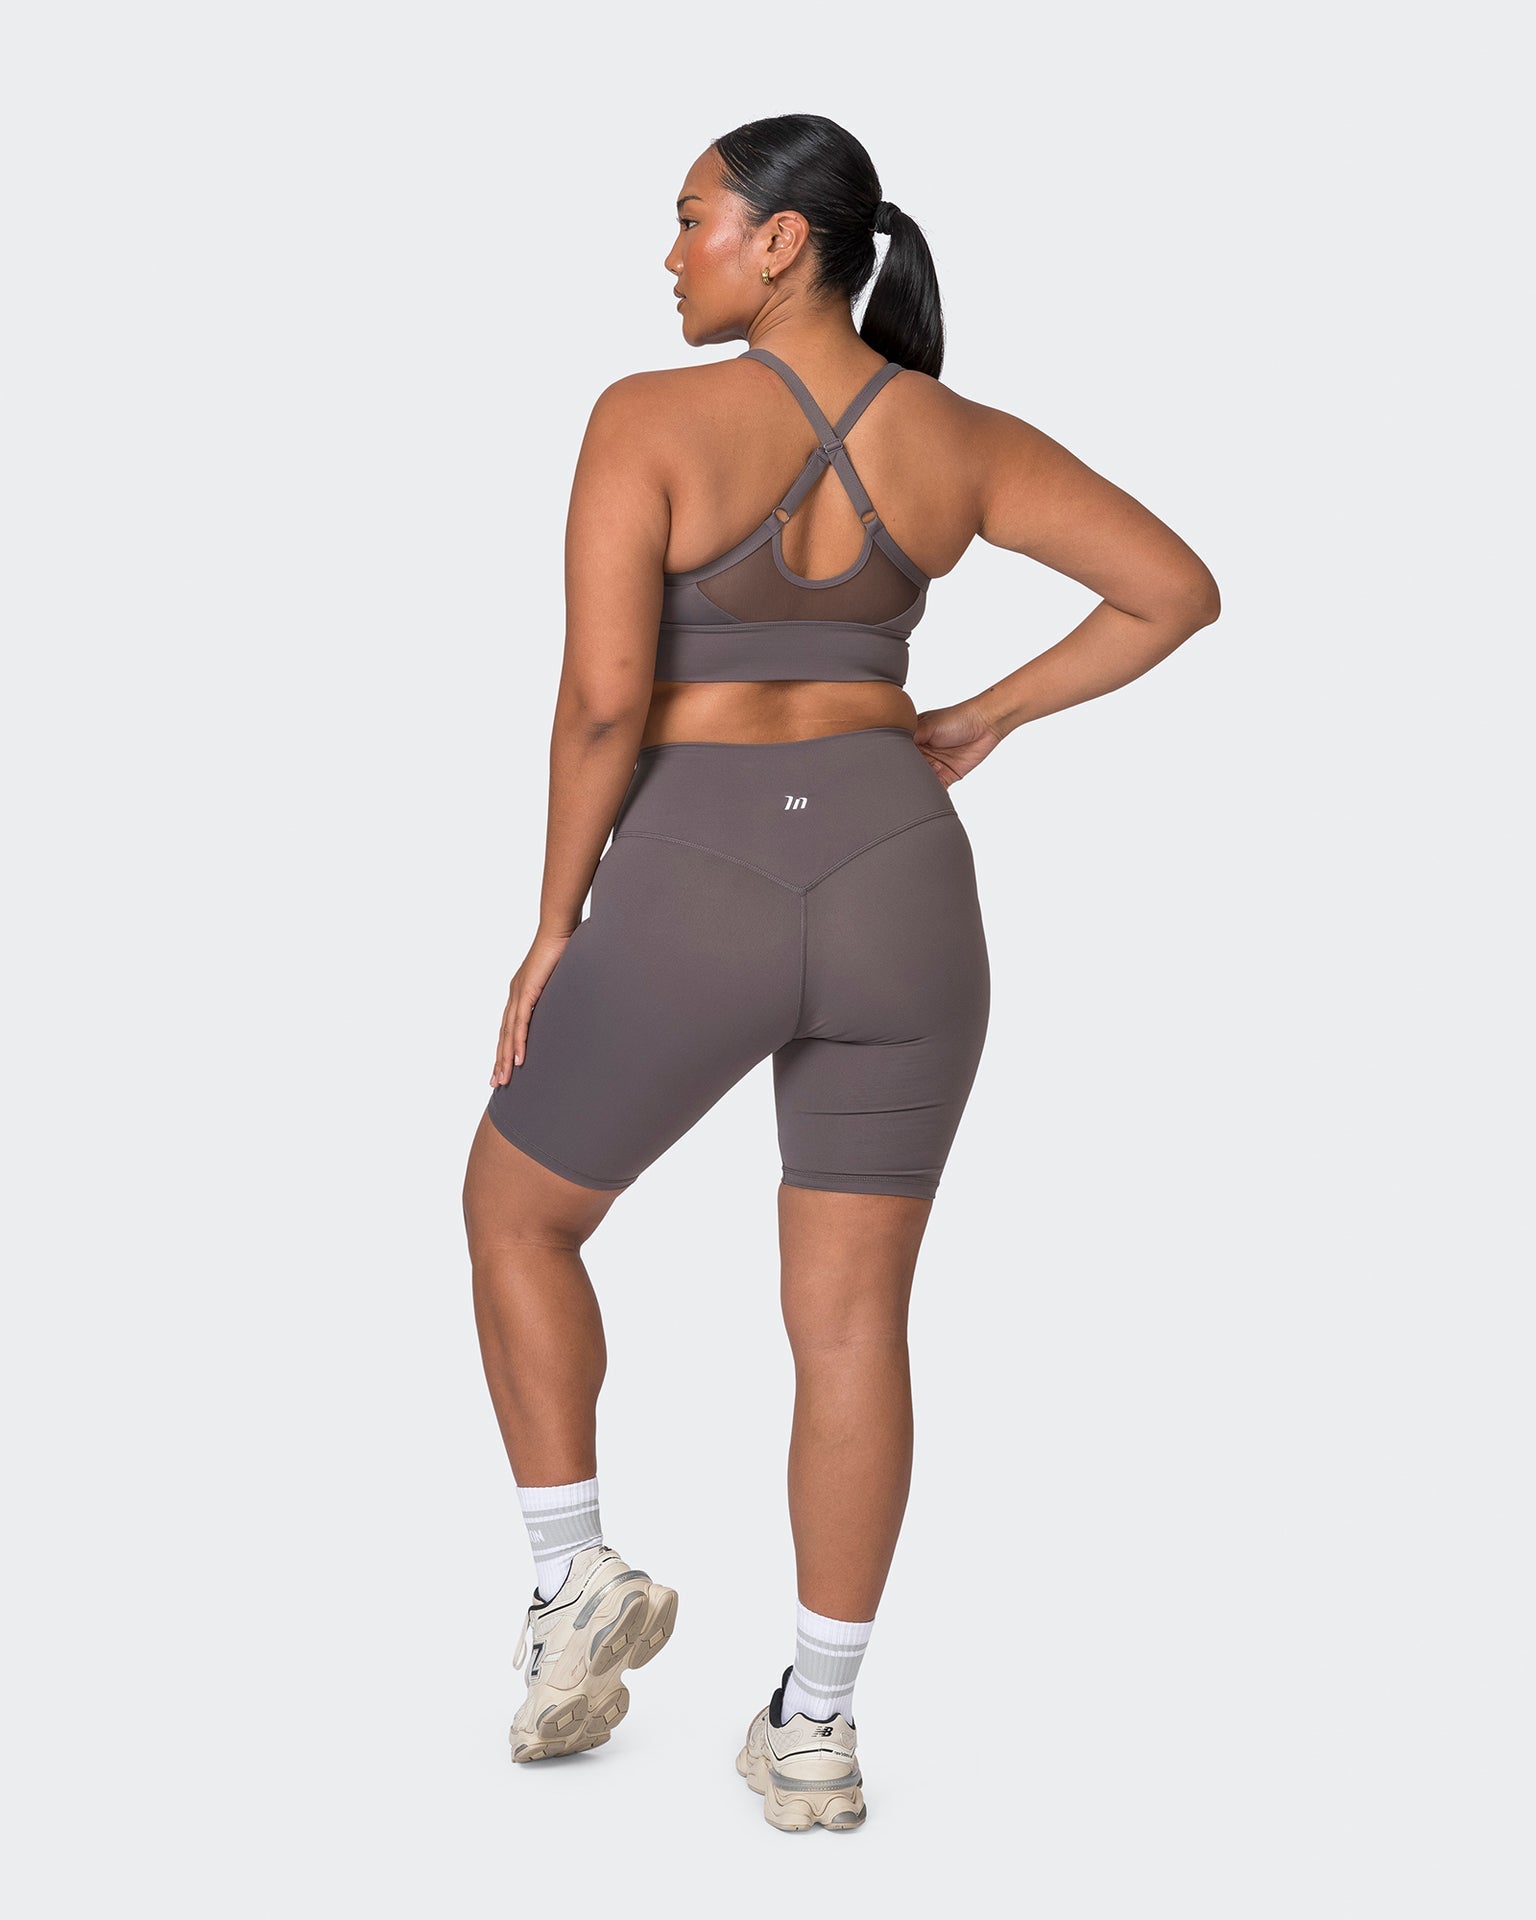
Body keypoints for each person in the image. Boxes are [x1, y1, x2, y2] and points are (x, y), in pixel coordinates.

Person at [460, 112, 1220, 1832]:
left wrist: (555, 922)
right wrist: (980, 717)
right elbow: (1172, 591)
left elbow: (603, 702)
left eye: (691, 221)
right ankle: (817, 1726)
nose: (672, 257)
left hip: (697, 879)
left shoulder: (646, 419)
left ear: (781, 240)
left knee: (515, 1213)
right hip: (901, 881)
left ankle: (574, 1577)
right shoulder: (955, 436)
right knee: (857, 1321)